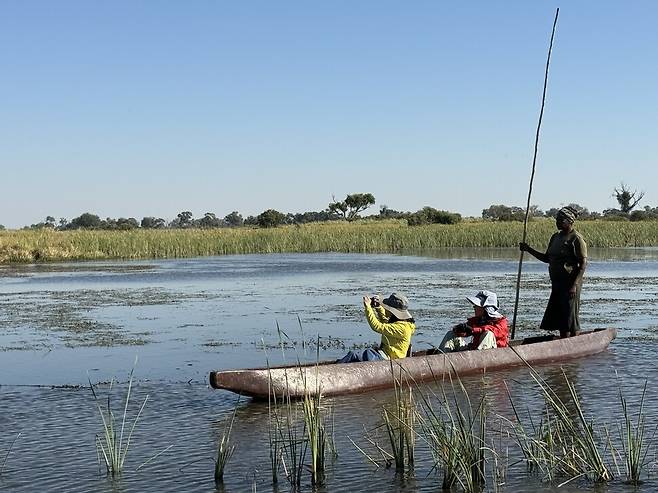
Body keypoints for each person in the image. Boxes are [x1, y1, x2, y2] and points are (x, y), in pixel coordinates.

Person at [519, 206, 588, 338]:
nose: (557, 222)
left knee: (570, 318)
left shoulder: (576, 238)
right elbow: (547, 258)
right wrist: (528, 249)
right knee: (561, 318)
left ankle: (573, 343)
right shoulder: (555, 237)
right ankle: (563, 341)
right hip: (557, 283)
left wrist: (574, 285)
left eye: (560, 220)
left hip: (570, 284)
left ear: (569, 221)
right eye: (557, 219)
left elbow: (583, 263)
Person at [337, 292, 416, 363]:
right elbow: (385, 322)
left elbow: (377, 326)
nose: (386, 308)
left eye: (387, 308)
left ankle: (335, 369)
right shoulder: (400, 323)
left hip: (390, 360)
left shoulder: (402, 328)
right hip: (383, 355)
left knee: (354, 355)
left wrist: (368, 307)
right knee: (357, 355)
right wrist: (378, 308)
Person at [438, 290, 509, 352]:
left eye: (476, 306)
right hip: (473, 350)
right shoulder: (476, 320)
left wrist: (473, 330)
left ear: (485, 309)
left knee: (488, 334)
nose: (474, 307)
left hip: (492, 354)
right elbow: (466, 332)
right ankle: (441, 359)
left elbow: (494, 330)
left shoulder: (501, 322)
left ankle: (479, 361)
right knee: (451, 334)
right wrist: (459, 329)